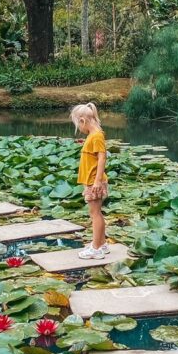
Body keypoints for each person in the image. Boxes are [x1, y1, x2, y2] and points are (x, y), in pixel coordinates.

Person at [71, 102, 109, 259]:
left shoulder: (96, 136)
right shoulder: (93, 135)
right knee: (95, 212)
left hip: (95, 181)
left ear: (82, 121)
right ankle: (102, 243)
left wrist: (98, 181)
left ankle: (96, 248)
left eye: (78, 125)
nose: (79, 129)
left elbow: (102, 157)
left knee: (95, 214)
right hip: (91, 180)